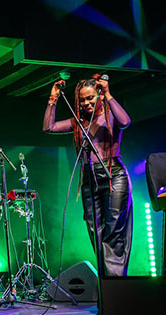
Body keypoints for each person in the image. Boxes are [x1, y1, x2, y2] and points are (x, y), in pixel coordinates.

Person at [43, 75, 132, 276]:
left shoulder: (109, 115)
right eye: (82, 99)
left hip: (113, 176)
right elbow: (49, 127)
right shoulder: (78, 122)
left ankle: (115, 286)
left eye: (90, 98)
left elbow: (125, 122)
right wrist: (53, 99)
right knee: (96, 233)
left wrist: (108, 93)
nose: (86, 103)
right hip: (89, 179)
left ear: (98, 95)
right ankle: (106, 285)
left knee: (114, 231)